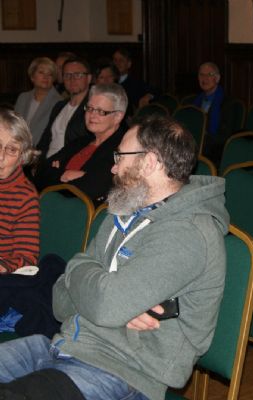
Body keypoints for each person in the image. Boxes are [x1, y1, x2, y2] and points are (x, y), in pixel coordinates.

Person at [0, 115, 229, 400]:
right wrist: (99, 290)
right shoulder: (124, 211)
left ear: (150, 162)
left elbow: (106, 306)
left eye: (120, 156)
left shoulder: (188, 232)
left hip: (120, 371)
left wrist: (95, 289)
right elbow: (60, 299)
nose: (113, 166)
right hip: (63, 346)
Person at [33, 83, 128, 206]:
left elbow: (90, 189)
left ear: (118, 117)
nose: (92, 115)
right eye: (89, 108)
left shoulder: (122, 149)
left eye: (100, 111)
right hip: (54, 208)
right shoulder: (80, 142)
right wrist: (65, 174)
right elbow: (40, 173)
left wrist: (57, 173)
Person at [0, 108, 40, 273]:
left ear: (22, 156)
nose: (1, 157)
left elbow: (27, 257)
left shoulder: (25, 197)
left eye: (11, 150)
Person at [36, 57, 92, 159]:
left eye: (78, 75)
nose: (72, 79)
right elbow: (45, 140)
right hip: (47, 165)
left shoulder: (93, 109)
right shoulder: (59, 106)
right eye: (67, 75)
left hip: (69, 165)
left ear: (89, 78)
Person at [192, 62, 239, 166]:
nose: (204, 78)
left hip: (215, 151)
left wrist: (203, 140)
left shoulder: (227, 103)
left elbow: (225, 135)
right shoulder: (195, 101)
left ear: (217, 79)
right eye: (201, 75)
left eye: (209, 75)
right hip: (193, 146)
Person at [14, 57, 62, 146]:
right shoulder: (23, 97)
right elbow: (14, 126)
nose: (45, 77)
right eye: (41, 72)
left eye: (50, 74)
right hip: (19, 147)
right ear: (32, 76)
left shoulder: (59, 102)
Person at [112, 47, 157, 116]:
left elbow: (155, 91)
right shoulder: (107, 81)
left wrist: (148, 96)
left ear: (129, 64)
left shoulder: (136, 83)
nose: (117, 63)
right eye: (115, 60)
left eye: (121, 60)